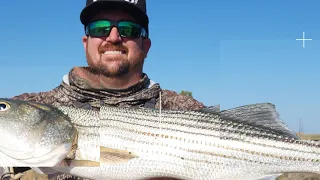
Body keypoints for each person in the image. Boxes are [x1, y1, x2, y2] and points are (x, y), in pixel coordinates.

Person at [7, 0, 205, 179]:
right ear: (86, 43)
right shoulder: (34, 107)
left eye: (128, 29)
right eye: (99, 28)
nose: (113, 37)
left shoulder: (189, 111)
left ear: (146, 45)